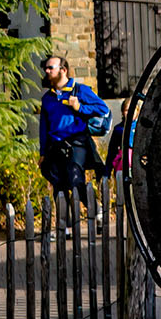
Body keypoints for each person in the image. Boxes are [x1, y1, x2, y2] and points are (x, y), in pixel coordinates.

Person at [39, 56, 108, 215]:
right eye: (46, 68)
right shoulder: (47, 98)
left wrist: (79, 107)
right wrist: (43, 153)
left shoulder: (80, 90)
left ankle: (96, 211)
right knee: (59, 185)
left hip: (76, 143)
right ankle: (66, 225)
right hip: (55, 145)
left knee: (75, 179)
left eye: (51, 68)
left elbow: (102, 109)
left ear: (63, 70)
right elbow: (44, 127)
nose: (47, 71)